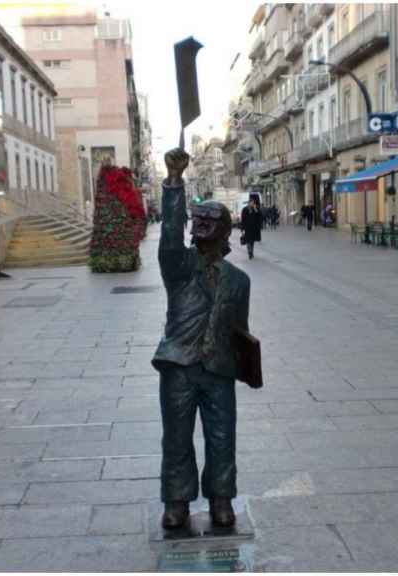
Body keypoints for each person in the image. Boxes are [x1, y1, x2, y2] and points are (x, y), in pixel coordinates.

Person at [152, 148, 252, 529]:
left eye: (210, 222)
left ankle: (221, 498)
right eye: (199, 221)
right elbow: (169, 235)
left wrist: (248, 365)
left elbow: (239, 329)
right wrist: (174, 181)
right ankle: (176, 500)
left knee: (222, 436)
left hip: (219, 370)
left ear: (225, 231)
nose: (201, 227)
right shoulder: (178, 266)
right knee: (177, 438)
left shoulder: (239, 281)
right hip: (178, 365)